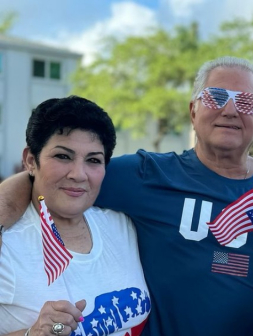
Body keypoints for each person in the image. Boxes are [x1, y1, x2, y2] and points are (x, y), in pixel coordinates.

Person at [0, 57, 253, 335]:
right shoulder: (145, 174)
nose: (230, 110)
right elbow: (56, 175)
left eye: (246, 102)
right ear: (193, 110)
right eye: (216, 97)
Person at [0, 96, 150, 336]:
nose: (78, 174)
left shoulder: (122, 225)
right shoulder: (6, 245)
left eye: (93, 160)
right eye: (63, 156)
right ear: (30, 160)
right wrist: (32, 333)